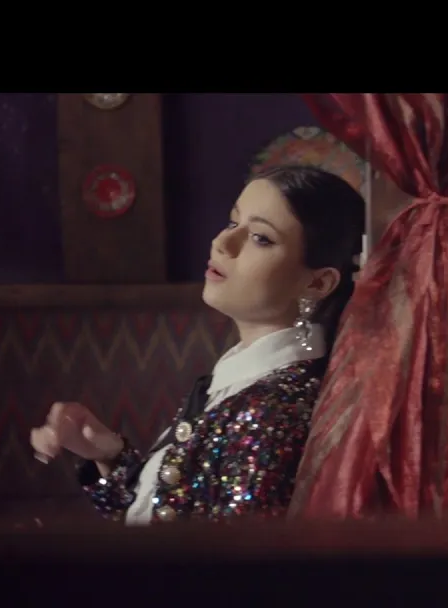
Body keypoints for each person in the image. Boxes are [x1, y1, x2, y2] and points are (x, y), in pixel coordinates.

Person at [29, 165, 364, 524]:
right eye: (233, 222)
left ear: (317, 284)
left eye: (261, 238)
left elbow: (213, 556)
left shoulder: (272, 411)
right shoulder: (244, 380)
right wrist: (109, 455)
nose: (223, 243)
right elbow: (167, 512)